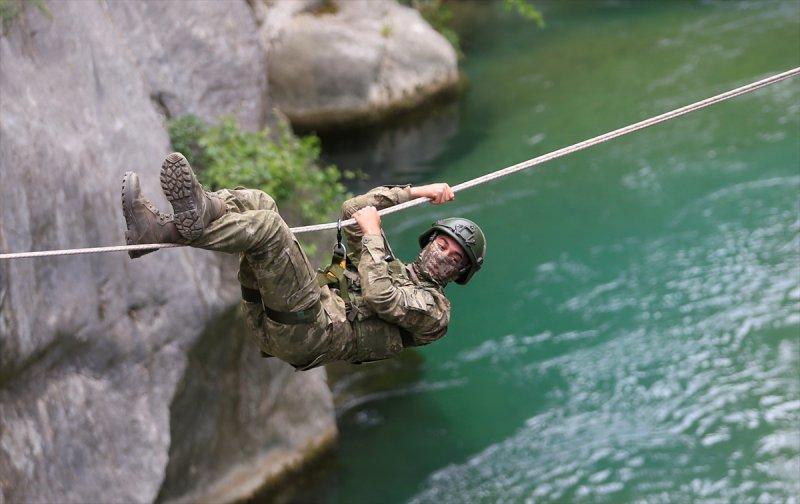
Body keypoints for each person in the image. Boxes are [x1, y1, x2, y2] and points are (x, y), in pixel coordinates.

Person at [121, 153, 486, 370]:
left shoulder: (435, 313)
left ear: (461, 274)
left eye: (456, 259)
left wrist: (374, 235)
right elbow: (355, 211)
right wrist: (415, 192)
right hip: (280, 317)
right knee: (258, 202)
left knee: (267, 229)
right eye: (443, 244)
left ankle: (168, 231)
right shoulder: (388, 264)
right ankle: (184, 218)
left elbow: (381, 297)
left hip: (309, 331)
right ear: (428, 243)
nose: (445, 256)